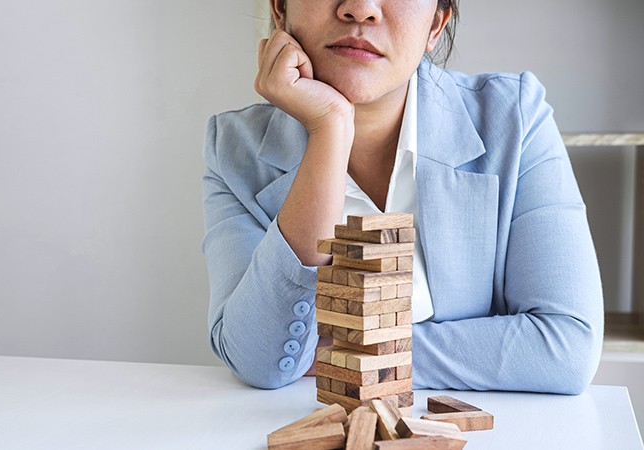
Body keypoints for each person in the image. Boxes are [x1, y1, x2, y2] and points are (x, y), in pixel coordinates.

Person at [201, 0, 603, 394]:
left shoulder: (516, 117)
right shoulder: (234, 148)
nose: (360, 8)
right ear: (279, 8)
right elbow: (257, 361)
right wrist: (328, 130)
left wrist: (352, 354)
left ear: (435, 25)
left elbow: (565, 347)